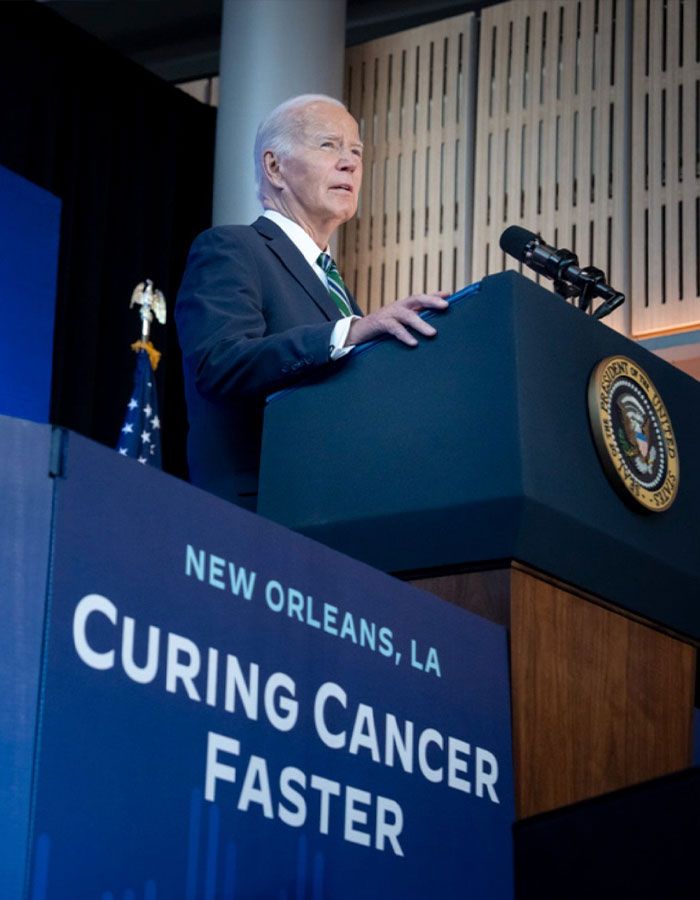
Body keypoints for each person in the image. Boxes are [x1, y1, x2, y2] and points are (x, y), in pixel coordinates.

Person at [175, 94, 449, 509]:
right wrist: (351, 330)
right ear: (274, 167)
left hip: (332, 519)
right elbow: (219, 365)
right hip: (255, 519)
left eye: (356, 150)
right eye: (328, 145)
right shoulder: (232, 248)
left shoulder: (331, 284)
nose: (351, 163)